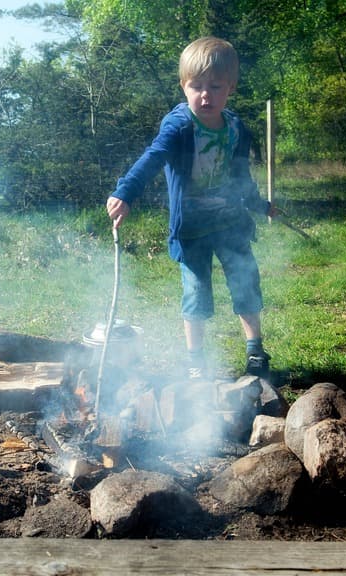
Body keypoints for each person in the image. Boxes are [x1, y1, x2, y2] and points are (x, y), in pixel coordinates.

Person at [106, 36, 273, 380]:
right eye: (196, 86)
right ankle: (195, 361)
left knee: (245, 283)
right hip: (192, 230)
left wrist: (259, 204)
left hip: (230, 223)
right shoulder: (179, 126)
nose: (205, 95)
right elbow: (154, 157)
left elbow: (241, 176)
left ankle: (256, 352)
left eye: (215, 86)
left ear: (231, 88)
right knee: (196, 292)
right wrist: (126, 192)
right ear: (184, 86)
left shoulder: (236, 129)